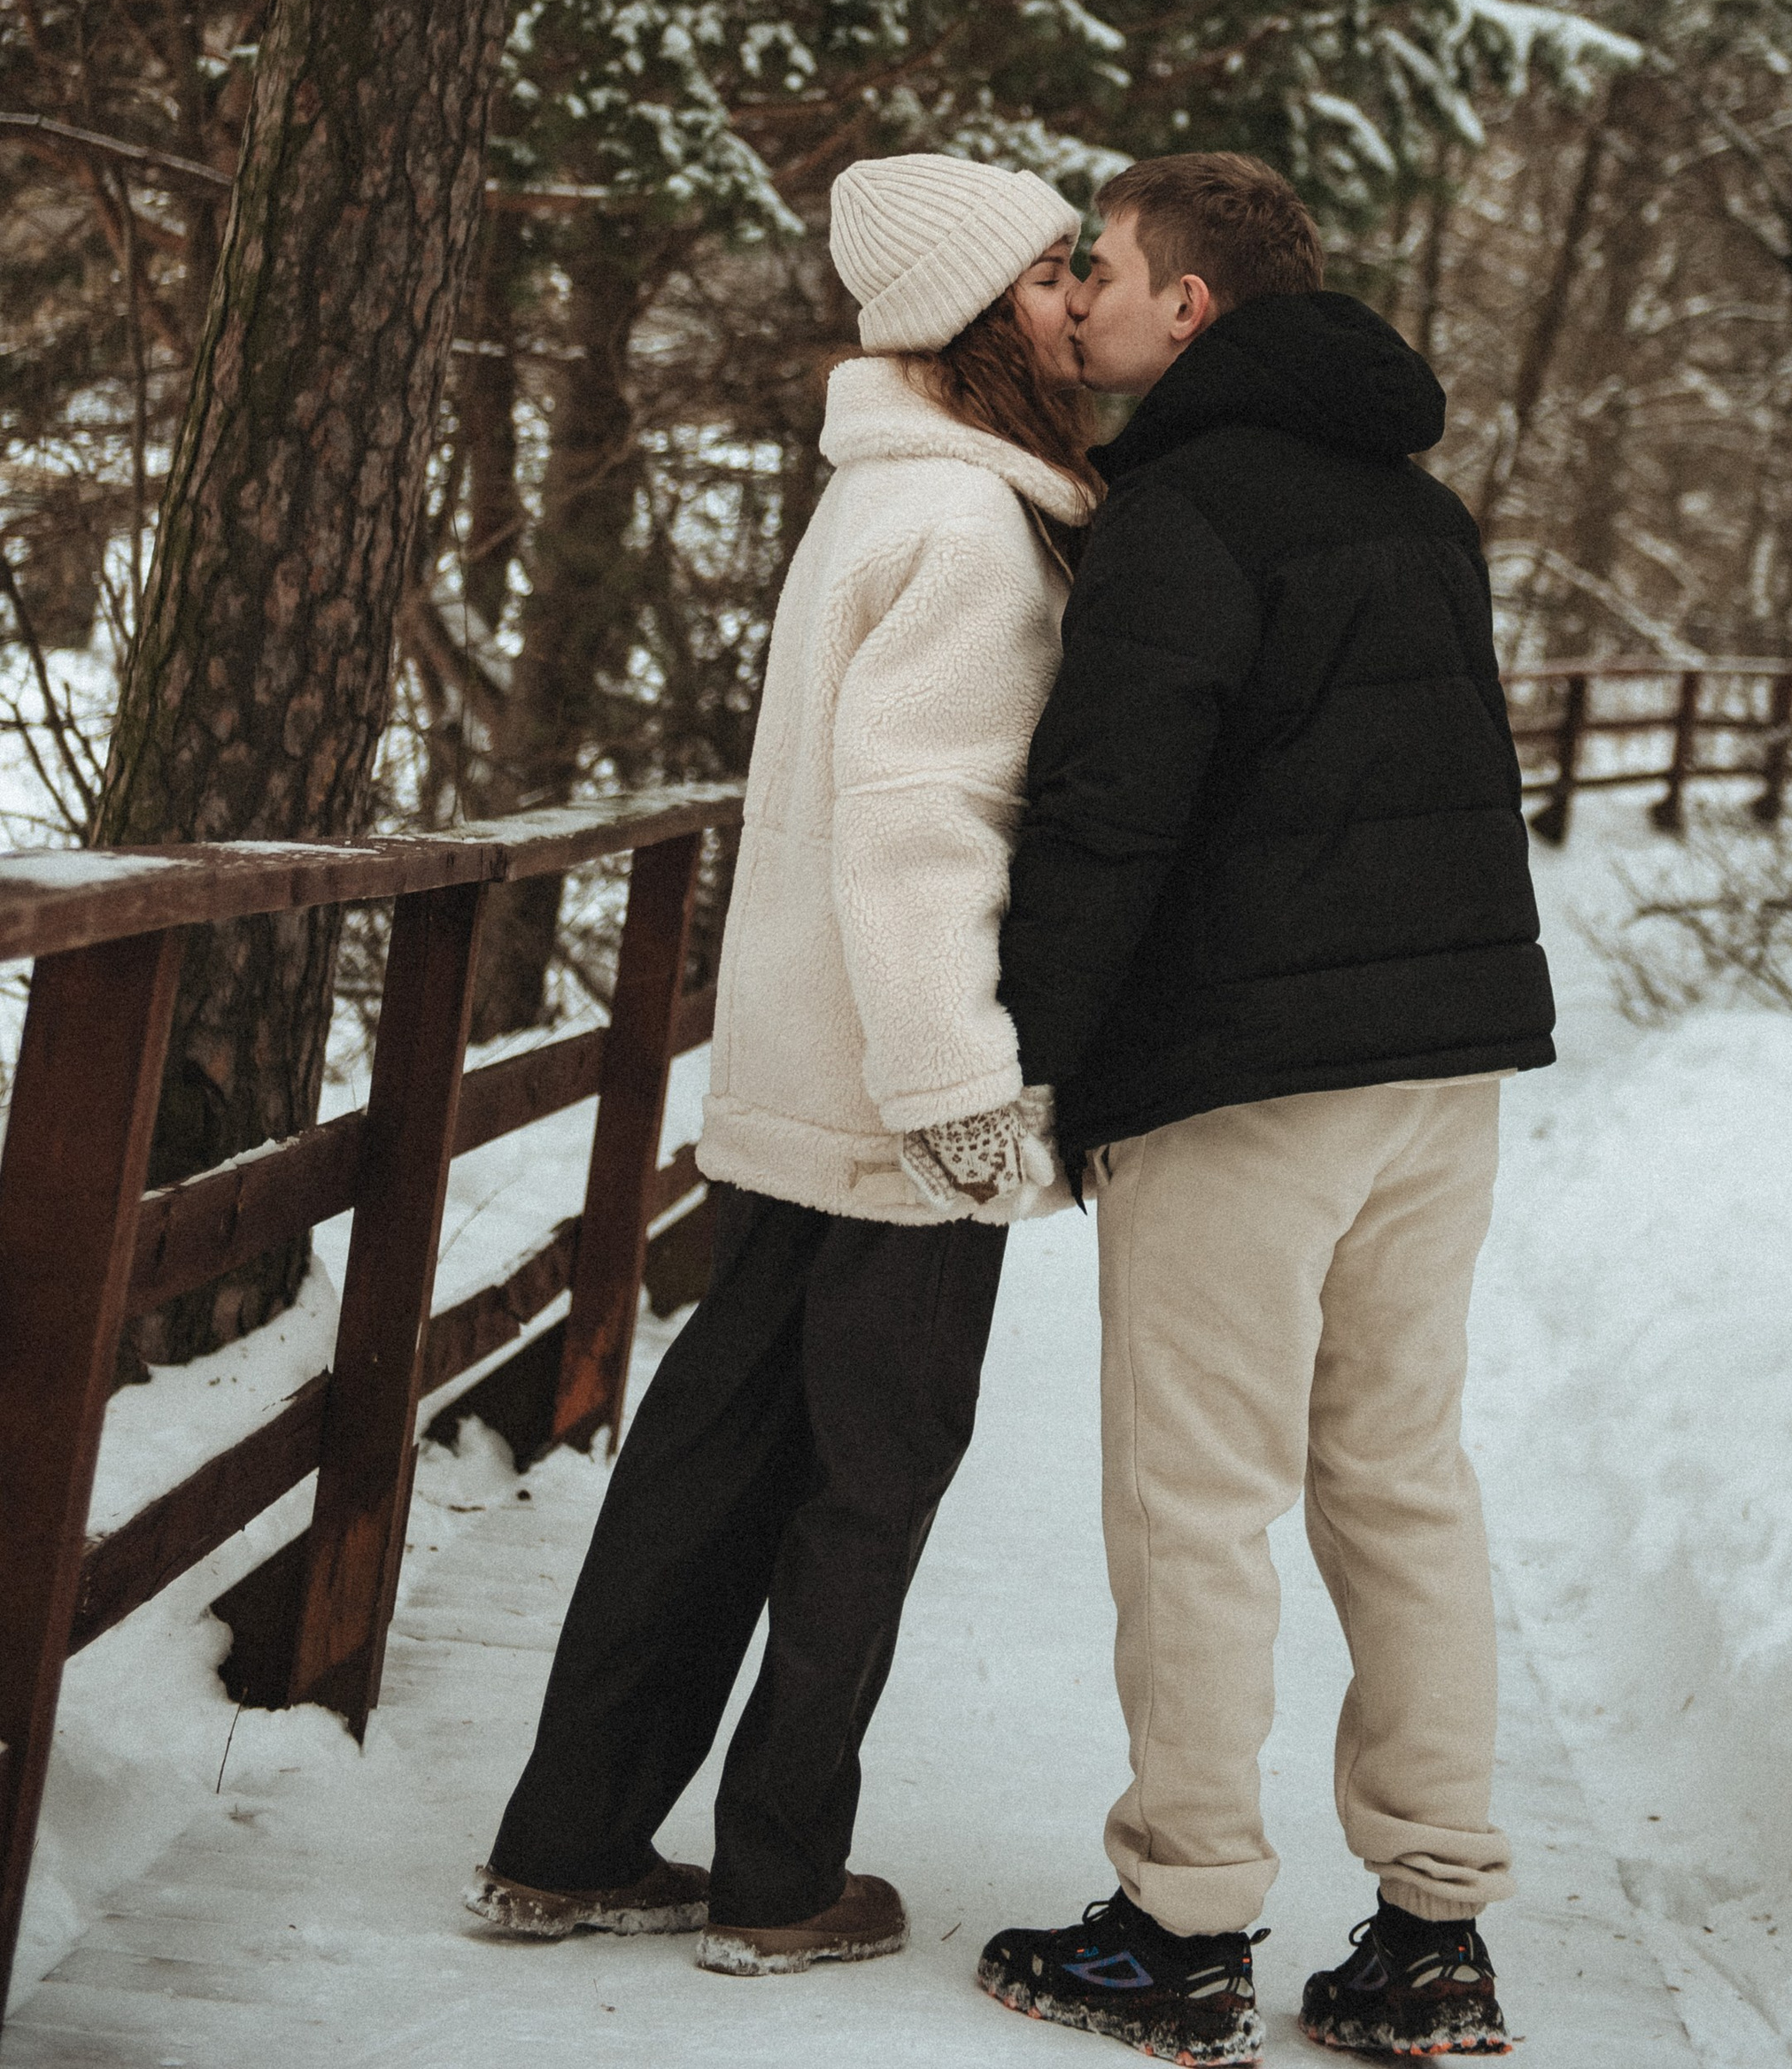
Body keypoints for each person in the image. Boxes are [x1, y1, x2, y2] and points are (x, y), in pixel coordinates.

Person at [465, 151, 1093, 1978]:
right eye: (1054, 270)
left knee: (710, 1463)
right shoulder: (975, 533)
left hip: (799, 1084)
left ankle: (566, 1840)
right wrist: (965, 1100)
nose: (1077, 299)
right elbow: (918, 834)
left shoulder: (881, 495)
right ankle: (777, 1878)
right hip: (900, 1101)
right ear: (980, 307)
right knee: (864, 1483)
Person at [973, 152, 1552, 2069]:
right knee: (1399, 1475)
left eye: (1105, 269)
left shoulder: (1181, 515)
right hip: (1437, 1070)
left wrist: (1035, 1063)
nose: (1084, 303)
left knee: (1197, 1496)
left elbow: (1104, 816)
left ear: (1190, 308)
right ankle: (1429, 1934)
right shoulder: (1423, 510)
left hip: (1242, 1078)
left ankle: (1178, 1922)